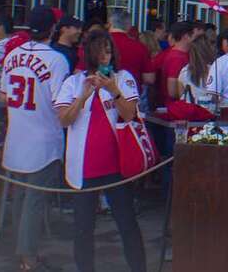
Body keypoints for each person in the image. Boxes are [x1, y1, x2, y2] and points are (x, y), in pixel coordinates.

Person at [54, 30, 146, 272]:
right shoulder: (73, 82)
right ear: (91, 55)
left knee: (127, 224)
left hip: (117, 165)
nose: (106, 56)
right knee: (83, 228)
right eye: (101, 51)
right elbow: (64, 120)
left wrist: (113, 90)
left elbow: (129, 114)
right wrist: (82, 97)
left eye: (108, 50)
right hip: (83, 167)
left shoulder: (123, 77)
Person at [0, 6, 70, 272]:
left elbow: (5, 95)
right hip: (43, 139)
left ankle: (23, 253)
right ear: (53, 28)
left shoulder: (13, 54)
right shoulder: (57, 59)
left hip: (16, 137)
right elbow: (58, 103)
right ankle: (28, 259)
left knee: (20, 199)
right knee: (34, 202)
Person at [108, 10, 154, 89]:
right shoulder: (140, 47)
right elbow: (149, 79)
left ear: (110, 24)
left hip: (101, 95)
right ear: (129, 26)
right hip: (130, 94)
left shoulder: (98, 43)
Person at [177, 35, 216, 103]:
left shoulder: (184, 72)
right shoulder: (215, 70)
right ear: (208, 50)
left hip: (191, 111)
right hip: (210, 111)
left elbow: (182, 97)